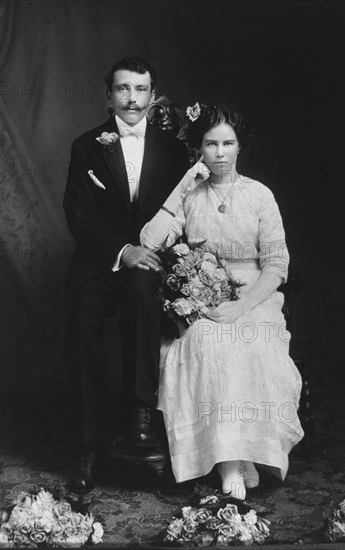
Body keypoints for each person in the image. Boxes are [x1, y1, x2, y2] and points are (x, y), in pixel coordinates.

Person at [140, 104, 304, 500]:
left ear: (239, 147)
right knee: (206, 344)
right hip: (202, 295)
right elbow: (149, 241)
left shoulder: (260, 195)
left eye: (227, 143)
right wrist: (182, 185)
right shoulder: (191, 196)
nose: (219, 153)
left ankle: (240, 451)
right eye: (210, 144)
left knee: (248, 342)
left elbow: (276, 265)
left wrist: (242, 304)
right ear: (199, 150)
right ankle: (230, 463)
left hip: (253, 294)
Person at [63, 56, 189, 493]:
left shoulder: (173, 148)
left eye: (140, 90)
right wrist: (122, 250)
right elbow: (79, 214)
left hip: (151, 258)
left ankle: (139, 418)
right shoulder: (87, 146)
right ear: (108, 95)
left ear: (153, 96)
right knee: (83, 316)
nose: (131, 98)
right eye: (122, 89)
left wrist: (148, 252)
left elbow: (182, 209)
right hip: (100, 258)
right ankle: (88, 443)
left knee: (143, 295)